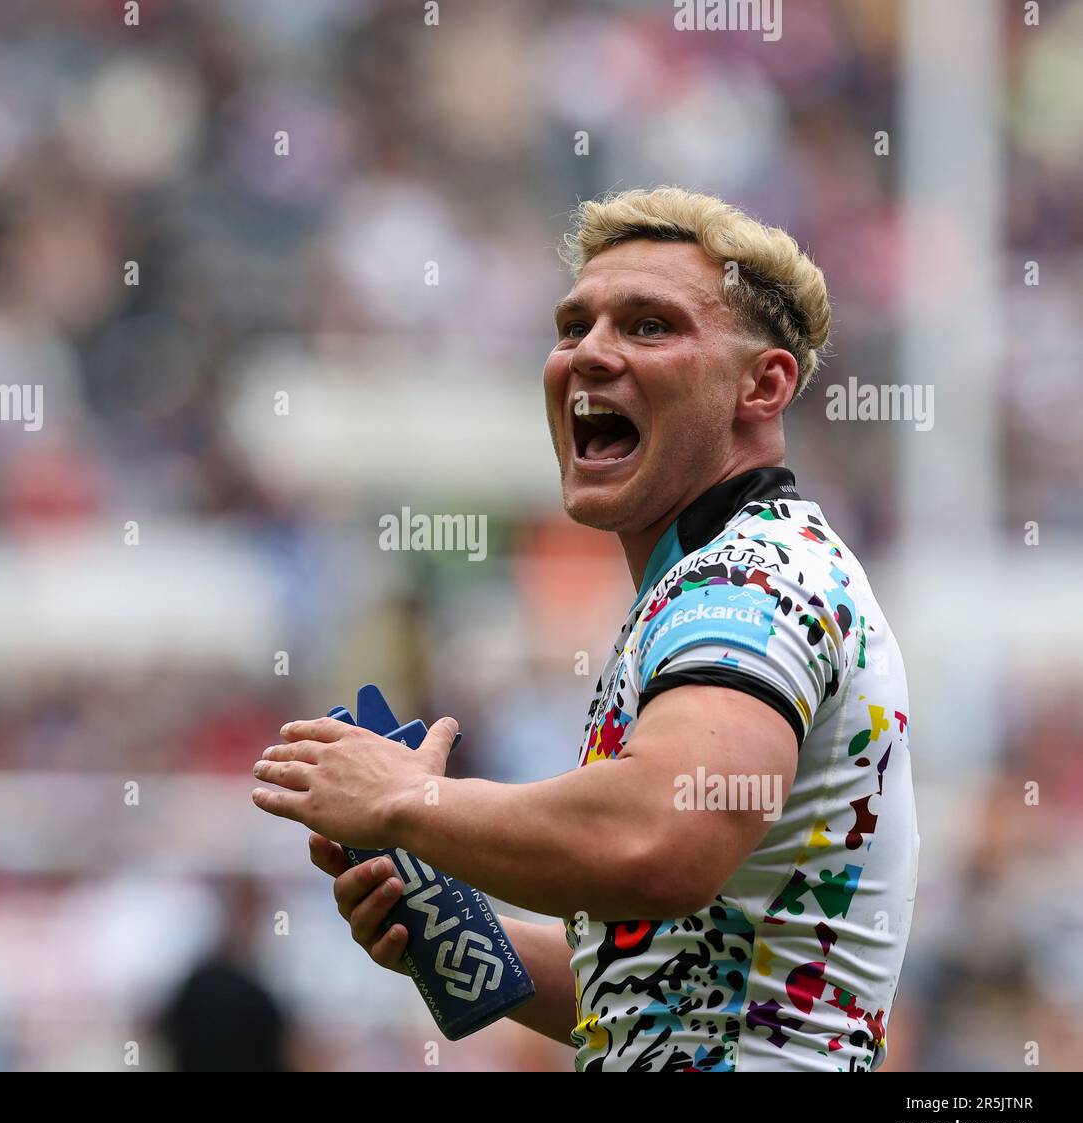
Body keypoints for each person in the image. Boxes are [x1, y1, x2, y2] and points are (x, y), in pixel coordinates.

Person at [251, 187, 919, 1072]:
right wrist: (448, 929)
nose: (591, 353)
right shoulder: (707, 580)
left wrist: (410, 803)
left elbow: (662, 839)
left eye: (648, 326)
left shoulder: (752, 578)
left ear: (762, 385)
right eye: (575, 327)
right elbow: (670, 996)